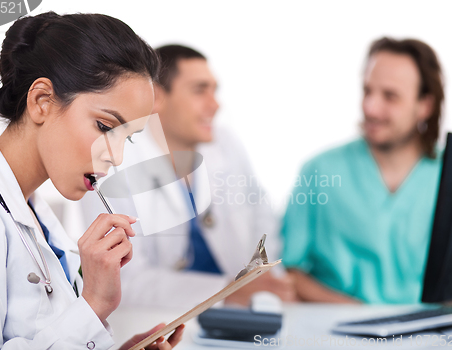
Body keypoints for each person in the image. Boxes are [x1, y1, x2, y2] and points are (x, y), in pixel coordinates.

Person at [0, 12, 184, 349]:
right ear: (42, 101)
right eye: (107, 128)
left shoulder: (36, 213)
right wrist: (93, 305)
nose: (116, 156)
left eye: (129, 138)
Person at [80, 44, 296, 308]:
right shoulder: (113, 162)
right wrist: (226, 292)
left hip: (241, 314)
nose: (215, 105)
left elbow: (263, 219)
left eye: (214, 90)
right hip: (158, 323)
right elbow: (124, 280)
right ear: (156, 97)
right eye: (199, 90)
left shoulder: (225, 144)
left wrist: (261, 283)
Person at [281, 37, 444, 304]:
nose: (370, 107)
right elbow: (289, 270)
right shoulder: (319, 171)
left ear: (425, 105)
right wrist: (359, 317)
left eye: (390, 96)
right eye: (367, 91)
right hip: (338, 335)